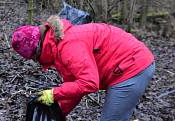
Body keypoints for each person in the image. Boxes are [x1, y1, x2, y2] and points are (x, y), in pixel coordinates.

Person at [11, 15, 155, 121]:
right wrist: (58, 111)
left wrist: (55, 94)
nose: (37, 62)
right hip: (124, 66)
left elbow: (89, 83)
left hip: (132, 67)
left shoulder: (68, 46)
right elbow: (75, 86)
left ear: (37, 50)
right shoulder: (56, 47)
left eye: (34, 58)